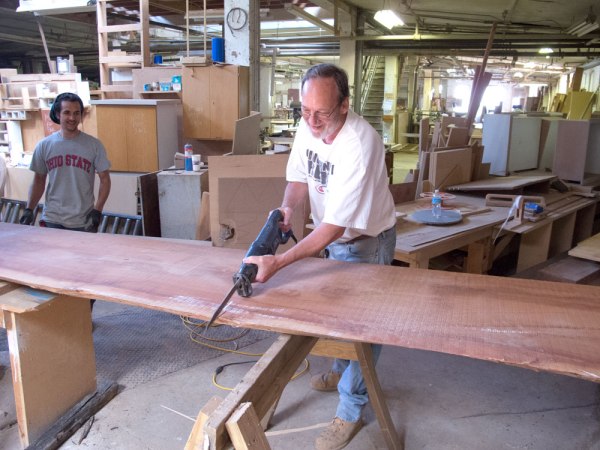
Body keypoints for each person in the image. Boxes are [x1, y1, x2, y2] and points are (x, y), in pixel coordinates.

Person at [244, 63, 397, 450]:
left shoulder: (360, 145)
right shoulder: (309, 122)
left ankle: (350, 410)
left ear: (344, 106)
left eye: (321, 113)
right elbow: (299, 177)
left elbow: (332, 229)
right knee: (335, 315)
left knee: (361, 329)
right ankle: (340, 370)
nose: (311, 121)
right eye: (305, 111)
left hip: (366, 242)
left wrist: (277, 263)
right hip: (335, 238)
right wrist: (287, 210)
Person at [20, 92, 111, 232]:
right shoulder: (44, 145)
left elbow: (105, 180)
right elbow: (39, 180)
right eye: (67, 112)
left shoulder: (94, 145)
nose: (72, 118)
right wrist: (29, 209)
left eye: (76, 113)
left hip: (82, 221)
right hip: (52, 219)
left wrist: (97, 210)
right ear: (57, 114)